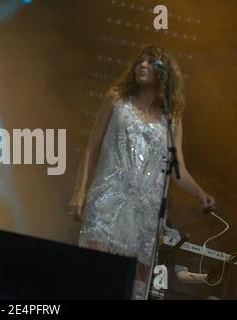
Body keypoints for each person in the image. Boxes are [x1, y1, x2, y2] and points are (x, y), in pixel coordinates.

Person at [68, 46, 215, 299]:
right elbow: (91, 149)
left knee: (136, 285)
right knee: (94, 277)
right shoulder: (116, 99)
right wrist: (79, 192)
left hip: (146, 213)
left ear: (164, 73)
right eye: (140, 62)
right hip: (107, 202)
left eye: (150, 62)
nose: (142, 66)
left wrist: (200, 194)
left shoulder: (172, 117)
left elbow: (177, 169)